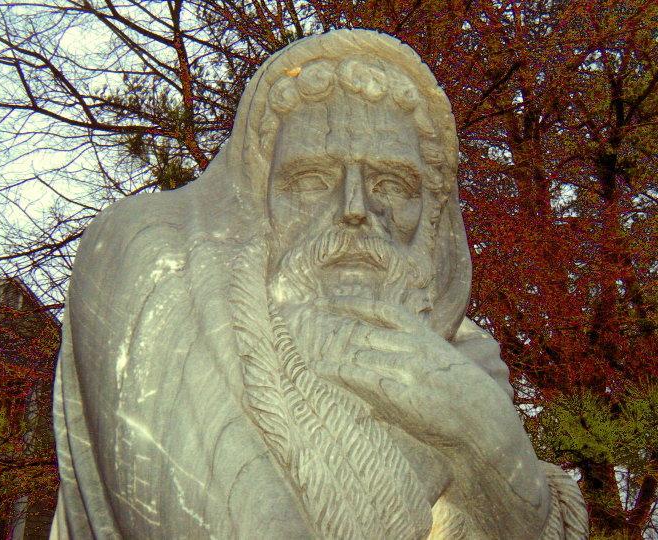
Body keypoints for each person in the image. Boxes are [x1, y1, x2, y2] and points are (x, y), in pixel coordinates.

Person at [50, 29, 588, 539]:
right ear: (258, 198)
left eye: (391, 183)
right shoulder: (153, 258)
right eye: (310, 179)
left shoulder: (468, 365)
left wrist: (480, 423)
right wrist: (455, 441)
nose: (355, 208)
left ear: (430, 218)